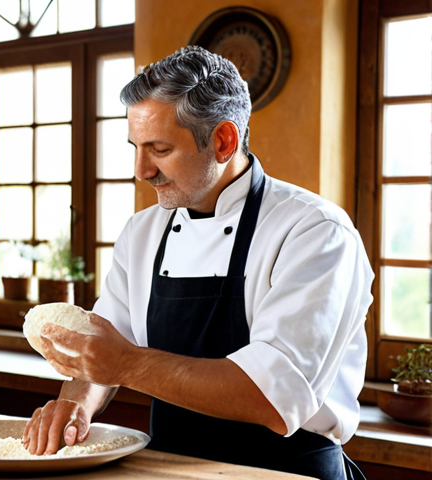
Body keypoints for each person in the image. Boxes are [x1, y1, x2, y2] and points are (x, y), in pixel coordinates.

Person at [21, 45, 373, 480]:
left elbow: (272, 398)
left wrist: (127, 364)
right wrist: (76, 403)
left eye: (159, 149)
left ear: (223, 141)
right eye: (135, 147)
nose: (140, 169)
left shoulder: (313, 231)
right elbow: (106, 344)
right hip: (170, 468)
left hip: (284, 472)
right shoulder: (142, 232)